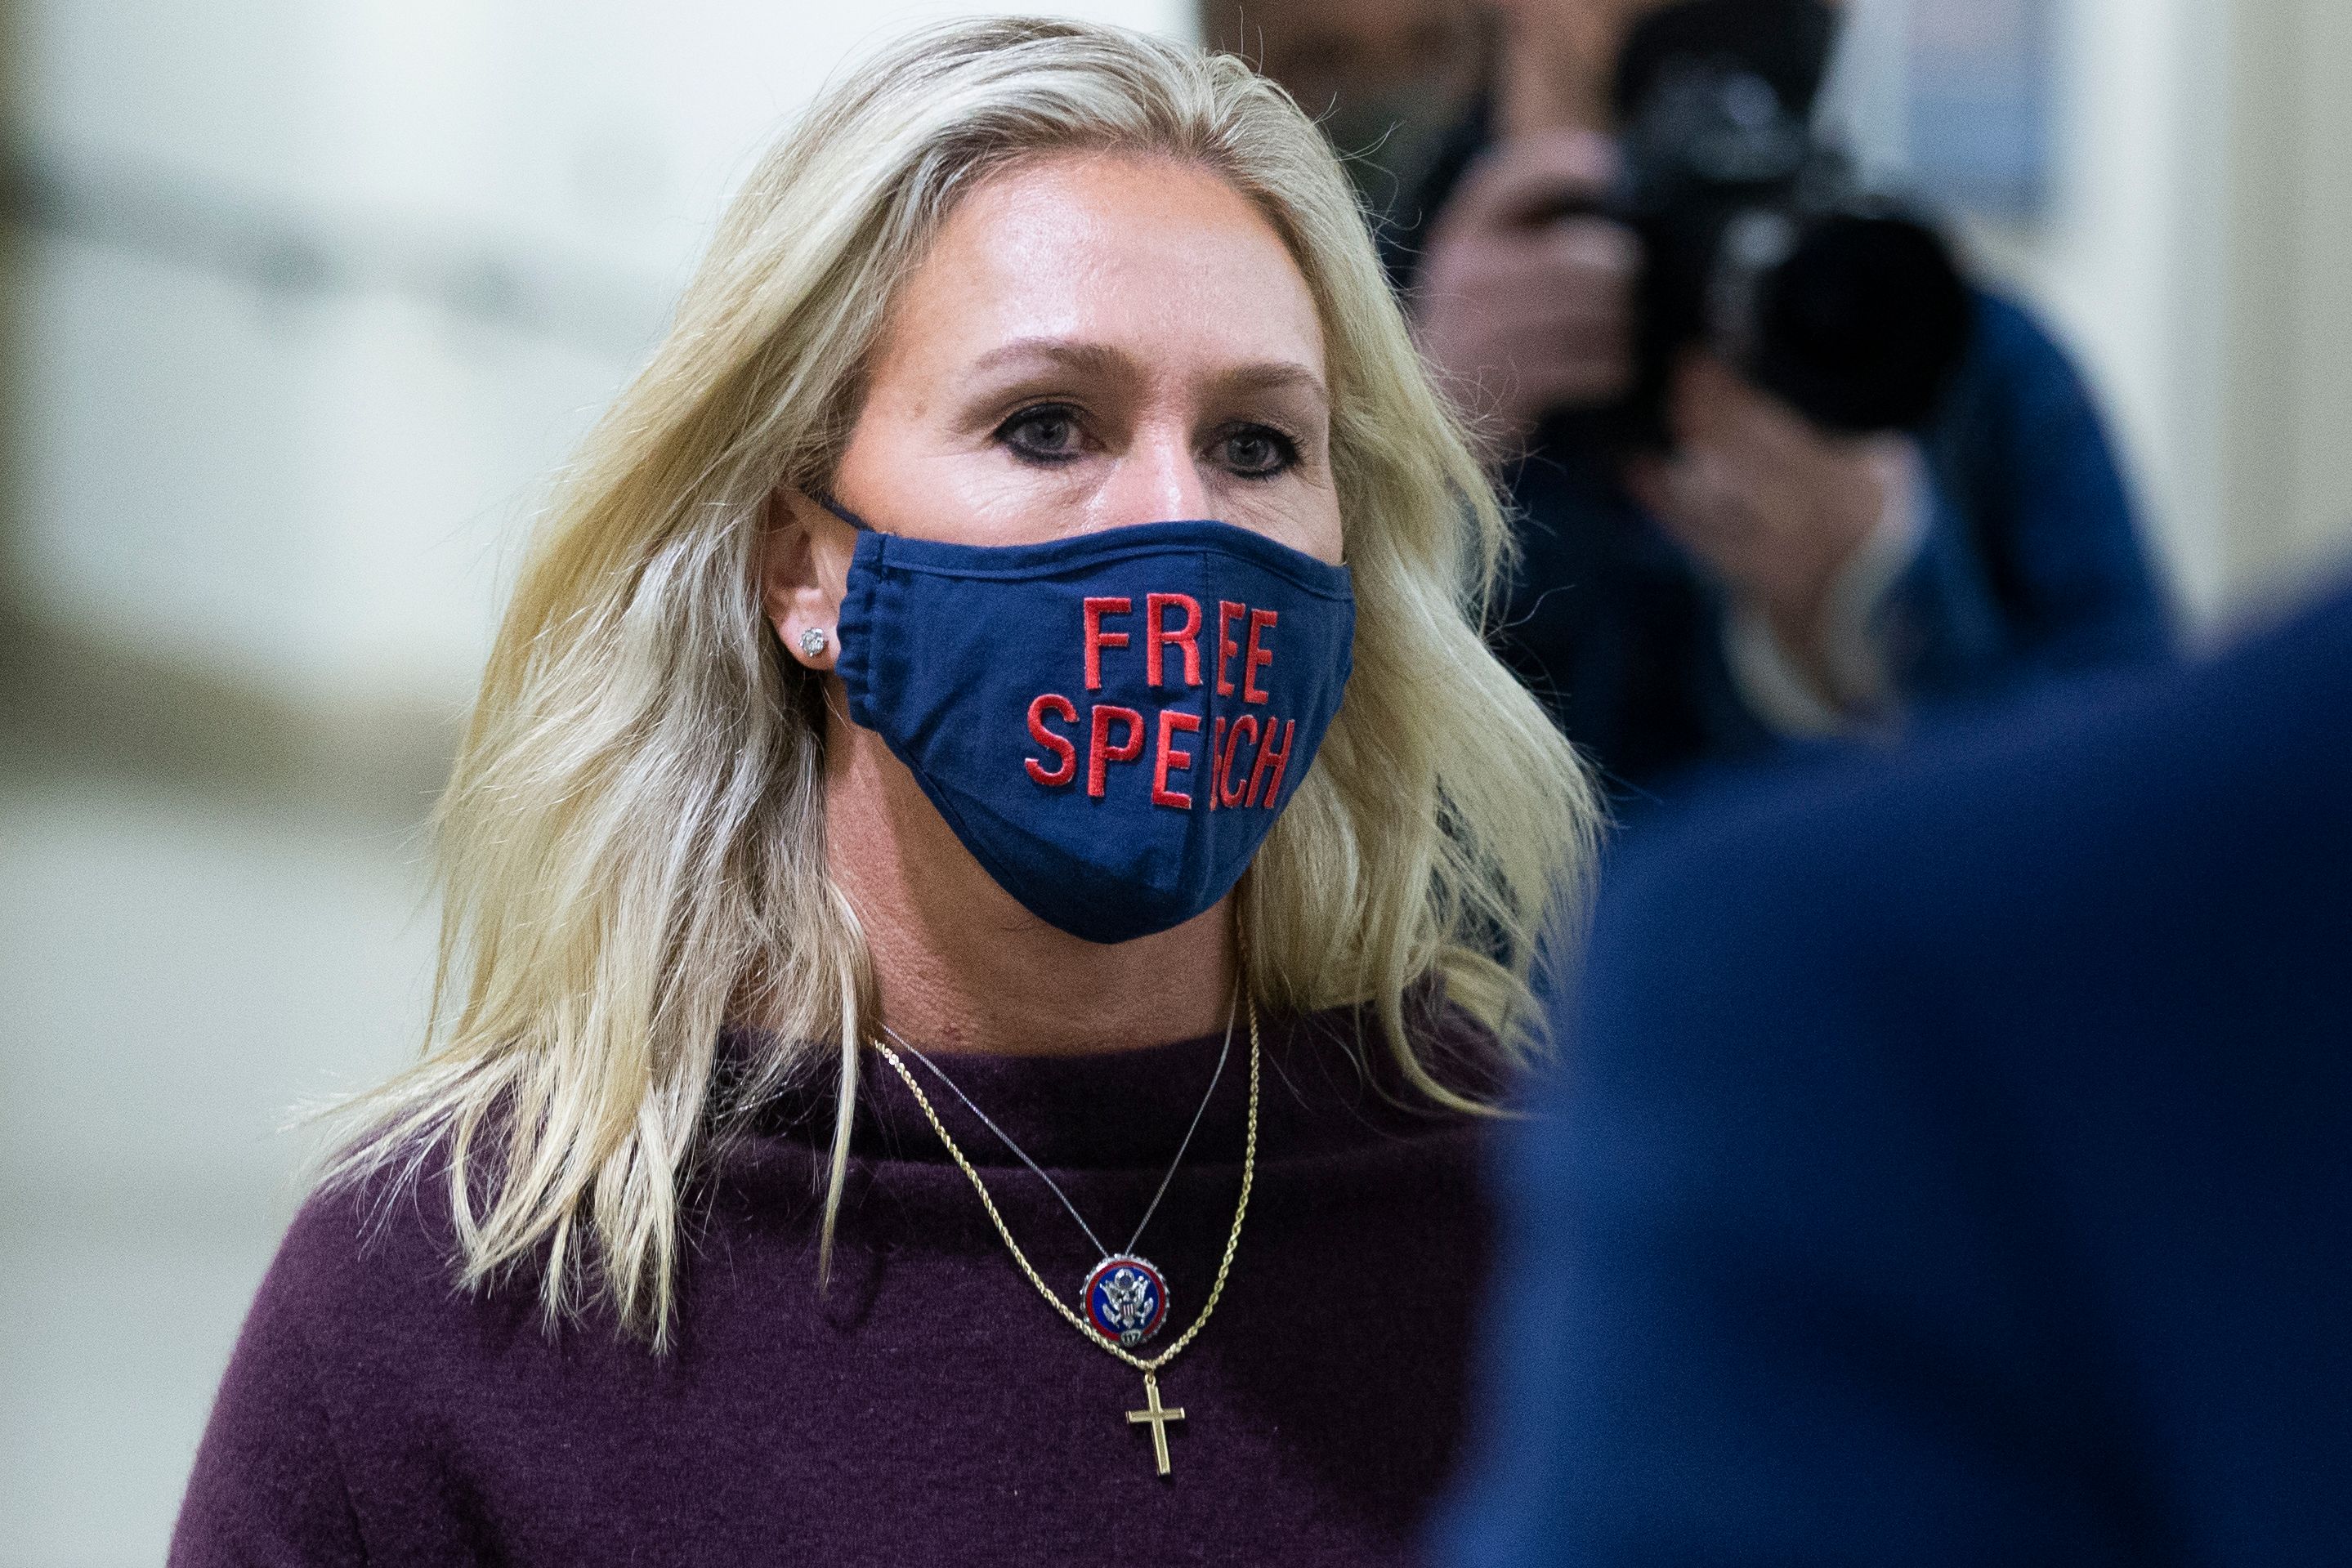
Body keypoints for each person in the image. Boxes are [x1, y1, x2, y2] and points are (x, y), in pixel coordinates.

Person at [168, 19, 1599, 1566]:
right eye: (1046, 423)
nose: (1182, 524)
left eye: (1259, 441)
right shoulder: (461, 1289)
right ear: (806, 565)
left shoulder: (1545, 1208)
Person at [1438, 577, 2352, 1565]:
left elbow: (2109, 665)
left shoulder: (1844, 982)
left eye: (1264, 452)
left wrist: (1876, 574)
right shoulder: (1834, 997)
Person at [1222, 0, 2175, 802]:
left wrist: (1873, 596)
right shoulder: (1310, 318)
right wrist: (1407, 458)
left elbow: (2130, 837)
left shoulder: (1961, 357)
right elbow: (1221, 774)